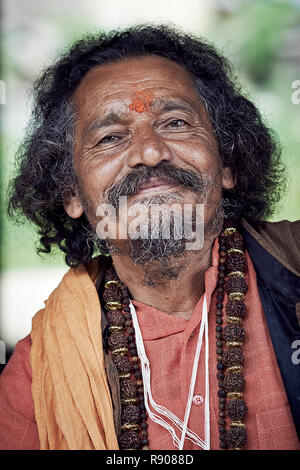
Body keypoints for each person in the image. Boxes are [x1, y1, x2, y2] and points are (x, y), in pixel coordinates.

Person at [0, 25, 299, 451]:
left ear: (227, 163)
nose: (150, 152)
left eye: (175, 122)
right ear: (71, 193)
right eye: (110, 137)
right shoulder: (39, 370)